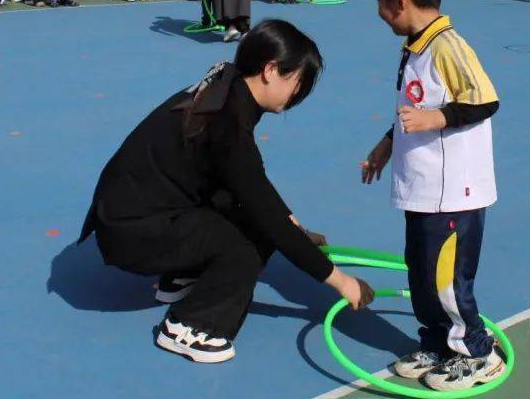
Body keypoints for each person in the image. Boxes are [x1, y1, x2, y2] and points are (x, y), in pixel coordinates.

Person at [77, 20, 375, 363]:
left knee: (253, 215)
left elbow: (247, 183)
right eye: (298, 81)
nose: (299, 93)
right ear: (271, 70)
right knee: (253, 238)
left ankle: (182, 275)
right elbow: (263, 211)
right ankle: (192, 326)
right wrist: (341, 282)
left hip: (133, 212)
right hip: (132, 231)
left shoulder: (226, 85)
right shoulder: (228, 124)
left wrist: (292, 222)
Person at [361, 0, 506, 391]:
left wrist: (436, 119)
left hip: (453, 192)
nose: (381, 14)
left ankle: (477, 353)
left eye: (382, 5)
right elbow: (412, 105)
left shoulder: (448, 46)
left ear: (400, 0)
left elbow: (484, 99)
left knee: (447, 279)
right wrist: (388, 144)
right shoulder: (414, 48)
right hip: (422, 187)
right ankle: (438, 341)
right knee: (419, 272)